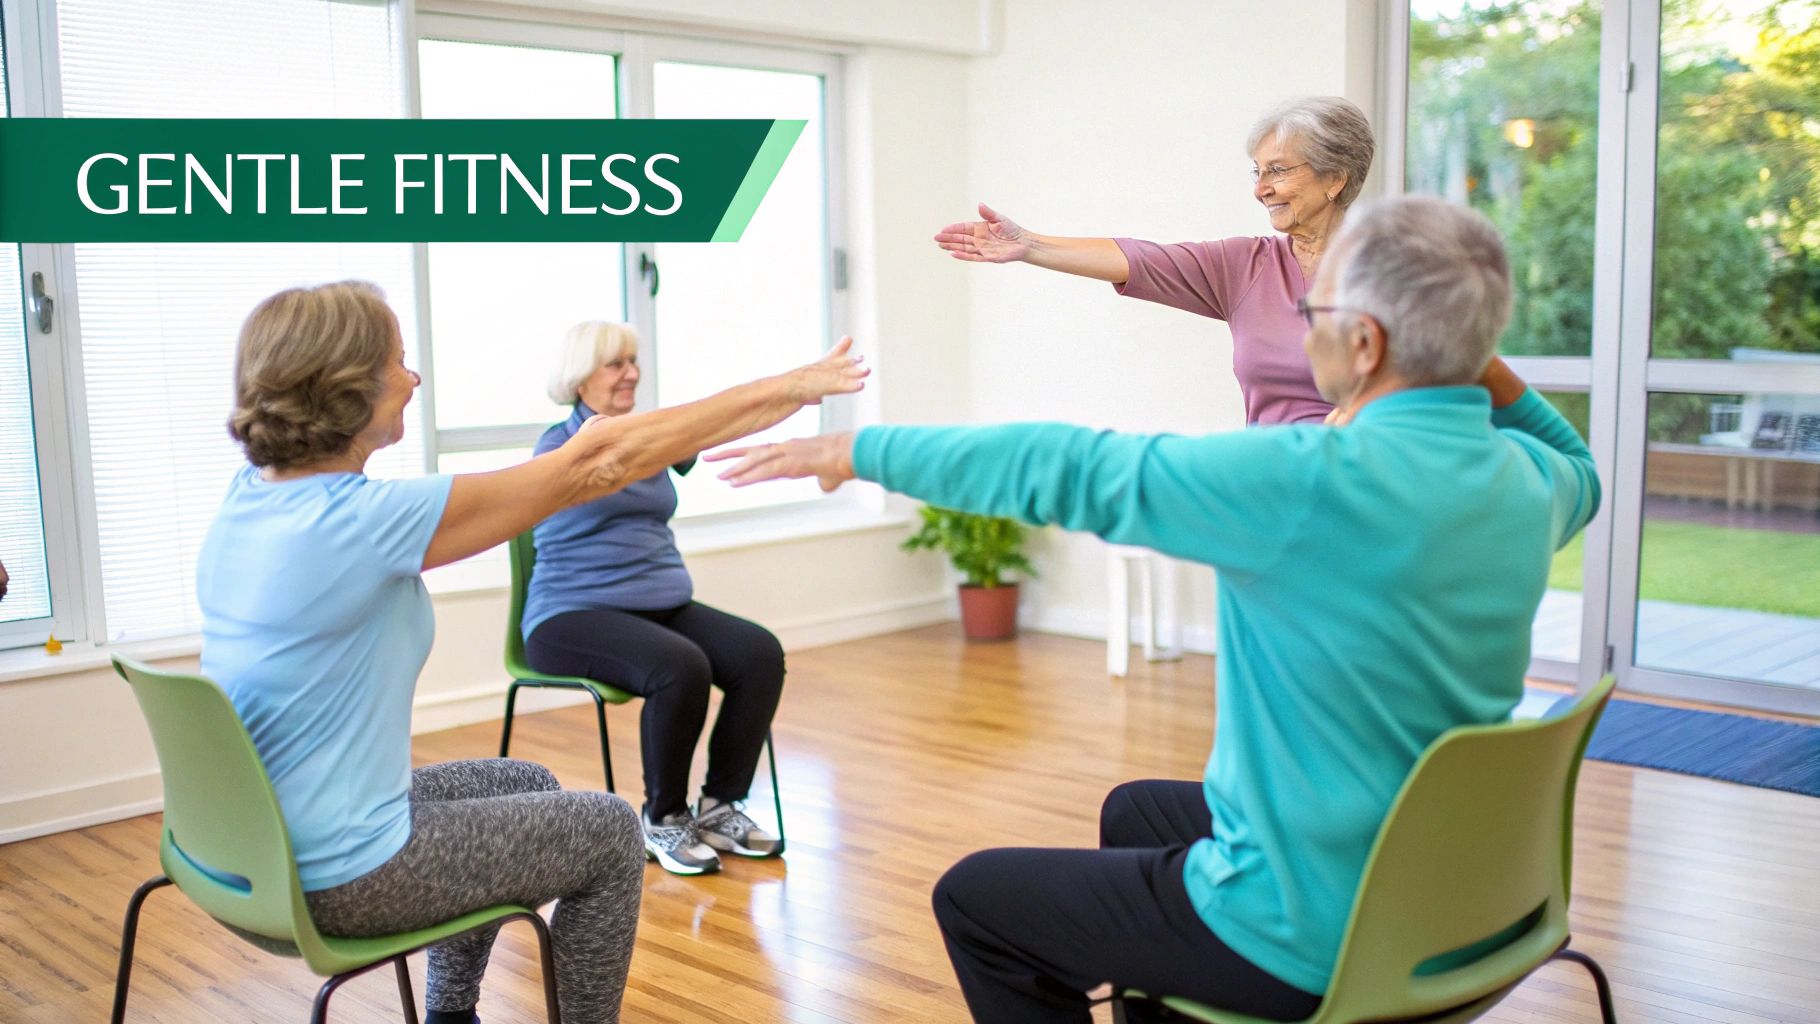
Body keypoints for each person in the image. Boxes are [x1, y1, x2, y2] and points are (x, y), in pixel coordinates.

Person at [712, 195, 1600, 1023]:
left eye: (1313, 317)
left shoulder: (1306, 482)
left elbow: (1069, 466)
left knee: (975, 900)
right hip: (1460, 890)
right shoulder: (1531, 483)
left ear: (1364, 344)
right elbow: (1581, 463)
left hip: (1316, 930)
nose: (1304, 331)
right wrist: (1459, 340)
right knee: (1139, 812)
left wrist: (854, 448)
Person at [196, 282, 865, 1024]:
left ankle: (450, 1017)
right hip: (339, 874)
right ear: (347, 387)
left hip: (249, 846)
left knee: (524, 780)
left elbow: (628, 449)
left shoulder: (249, 498)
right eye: (399, 362)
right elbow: (603, 460)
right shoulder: (360, 521)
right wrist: (793, 386)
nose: (413, 379)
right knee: (611, 832)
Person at [522, 321, 789, 876]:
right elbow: (606, 465)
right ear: (579, 377)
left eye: (634, 361)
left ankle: (719, 806)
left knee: (758, 654)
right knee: (679, 666)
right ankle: (663, 818)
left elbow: (713, 429)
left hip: (662, 604)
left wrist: (784, 403)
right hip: (571, 615)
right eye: (616, 364)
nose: (632, 373)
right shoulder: (558, 446)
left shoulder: (650, 437)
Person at [935, 95, 1375, 426]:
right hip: (1268, 487)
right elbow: (1140, 259)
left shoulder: (1396, 273)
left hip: (1366, 487)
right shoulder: (1246, 265)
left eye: (1278, 171)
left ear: (1334, 178)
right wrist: (1029, 245)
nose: (1262, 188)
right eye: (1257, 172)